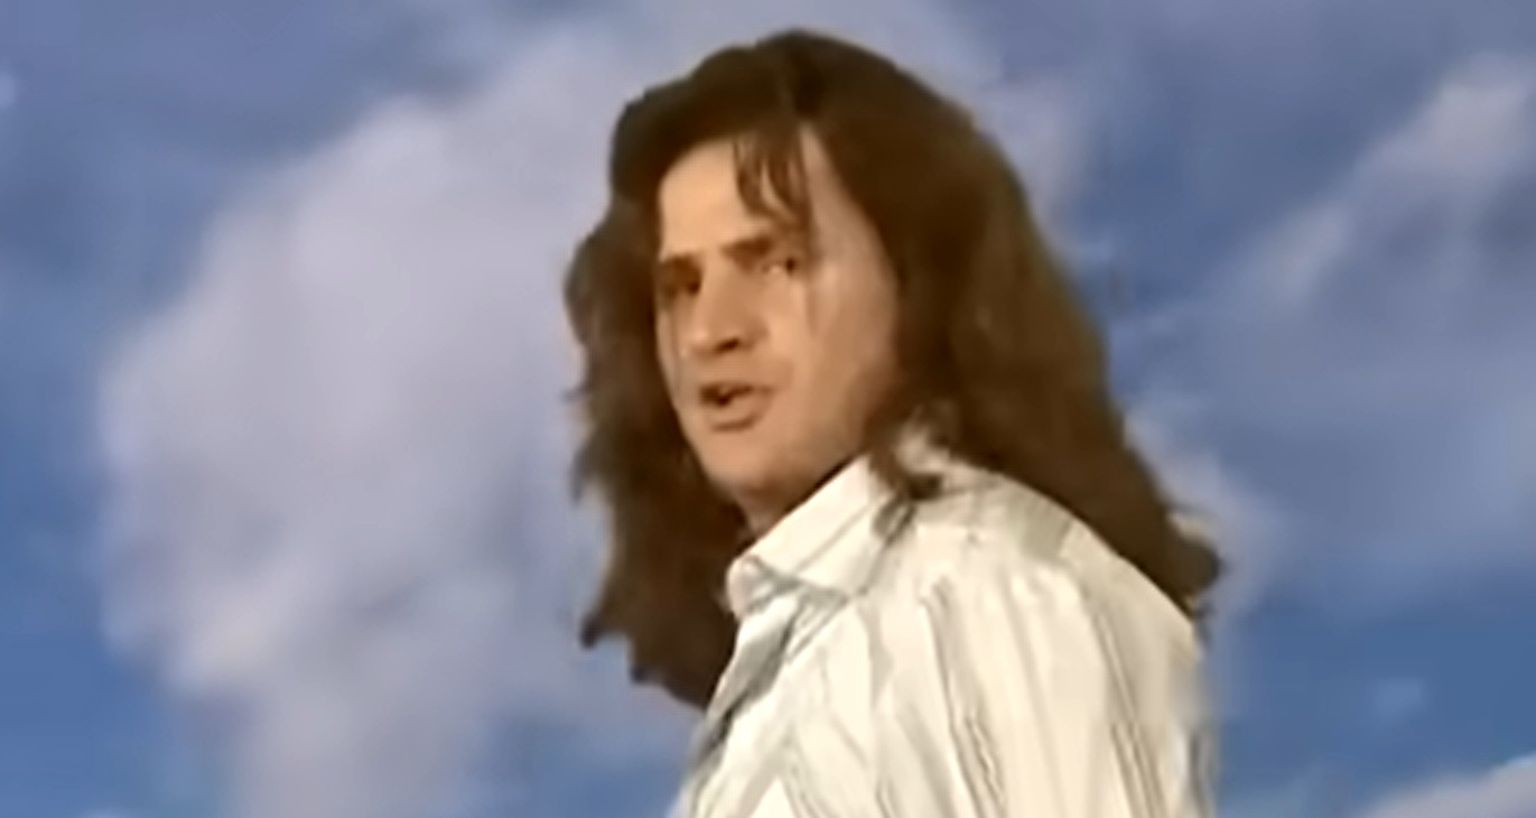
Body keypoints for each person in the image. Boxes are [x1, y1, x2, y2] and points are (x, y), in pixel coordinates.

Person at [561, 27, 1222, 818]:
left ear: (918, 285)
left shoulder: (994, 596)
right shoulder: (815, 656)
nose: (710, 331)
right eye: (680, 287)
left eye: (777, 262)